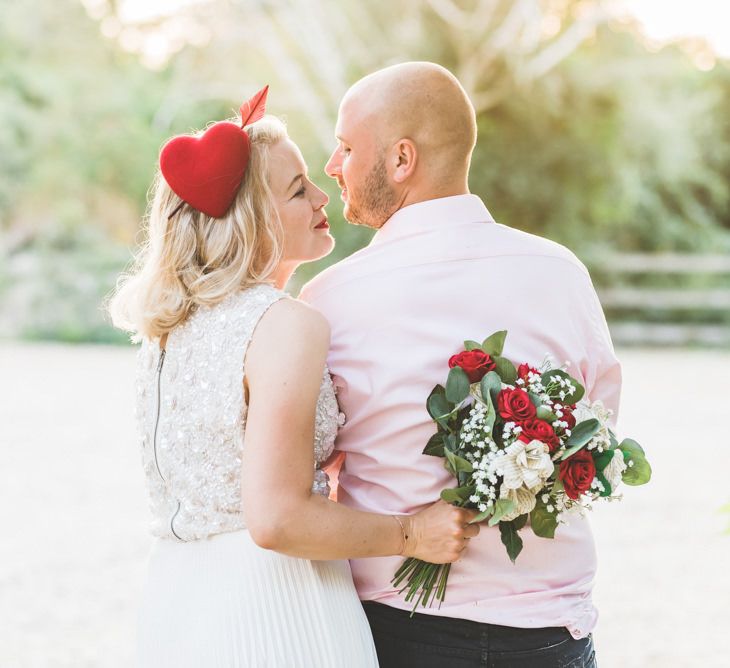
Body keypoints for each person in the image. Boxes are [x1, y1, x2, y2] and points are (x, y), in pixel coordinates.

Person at [109, 87, 478, 668]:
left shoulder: (169, 328)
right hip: (275, 605)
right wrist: (414, 534)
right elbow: (278, 518)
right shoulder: (285, 324)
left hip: (179, 603)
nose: (322, 194)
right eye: (297, 189)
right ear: (253, 220)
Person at [299, 62, 620, 667]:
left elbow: (310, 468)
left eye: (344, 146)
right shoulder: (562, 273)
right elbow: (593, 430)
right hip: (550, 636)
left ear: (400, 159)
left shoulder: (330, 299)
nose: (331, 166)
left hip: (399, 632)